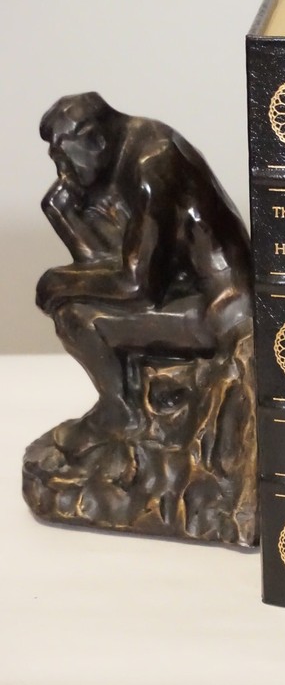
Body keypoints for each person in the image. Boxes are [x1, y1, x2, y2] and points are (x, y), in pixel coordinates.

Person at [37, 92, 252, 434]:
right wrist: (62, 214)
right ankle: (124, 412)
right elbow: (102, 264)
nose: (63, 173)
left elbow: (136, 286)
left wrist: (57, 281)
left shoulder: (153, 162)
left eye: (64, 159)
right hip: (186, 293)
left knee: (76, 318)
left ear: (93, 141)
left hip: (224, 311)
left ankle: (123, 417)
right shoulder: (128, 151)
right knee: (76, 308)